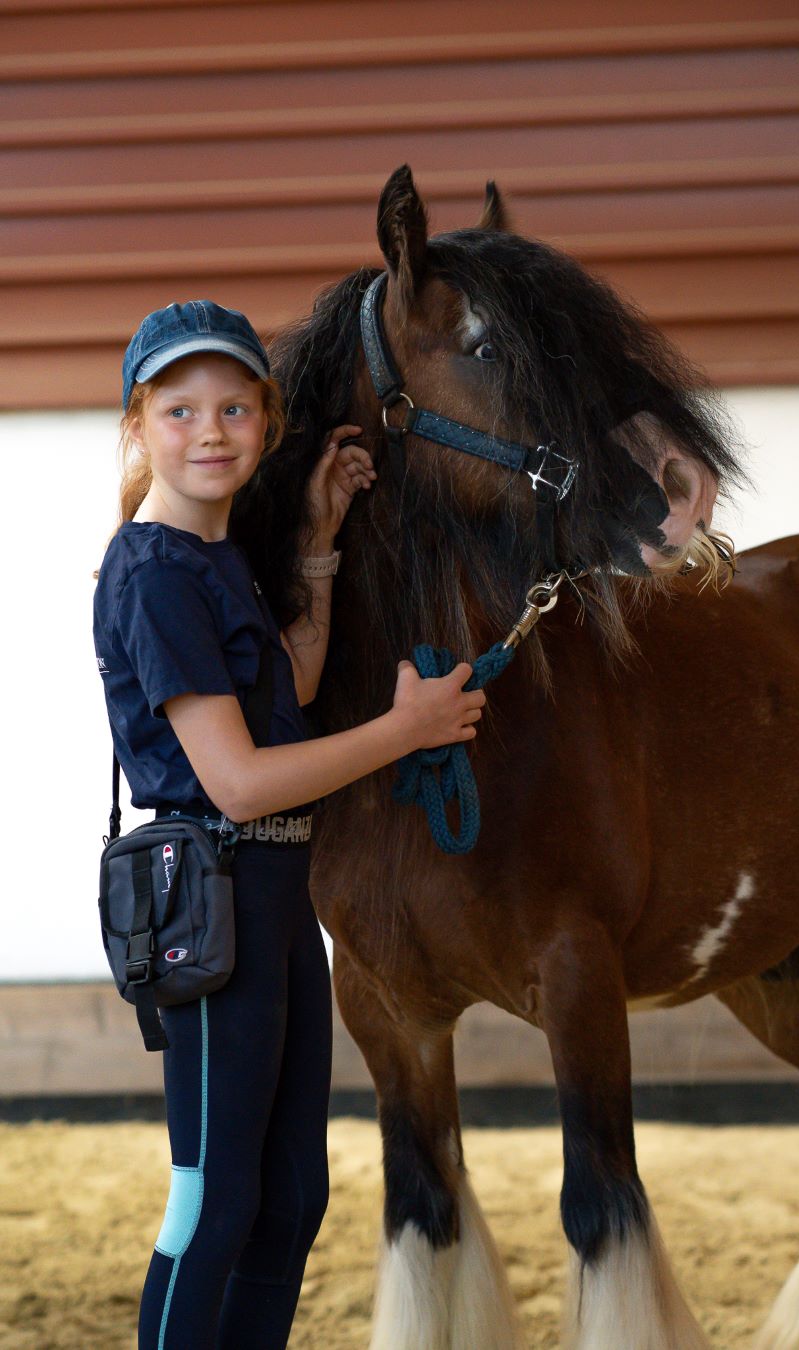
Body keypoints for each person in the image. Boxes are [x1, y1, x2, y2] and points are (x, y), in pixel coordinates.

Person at [93, 300, 486, 1349]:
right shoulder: (156, 571)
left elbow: (291, 685)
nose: (209, 431)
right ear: (140, 425)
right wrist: (407, 730)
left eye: (233, 407)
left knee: (290, 1200)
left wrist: (315, 538)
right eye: (180, 411)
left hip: (272, 902)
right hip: (215, 910)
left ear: (265, 423)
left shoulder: (217, 557)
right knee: (213, 1203)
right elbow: (240, 783)